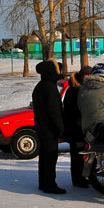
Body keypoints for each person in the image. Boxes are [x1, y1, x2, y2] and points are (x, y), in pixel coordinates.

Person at [32, 60, 66, 195]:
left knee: (45, 157)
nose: (59, 73)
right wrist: (60, 128)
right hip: (49, 129)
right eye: (56, 70)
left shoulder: (40, 86)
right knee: (50, 158)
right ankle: (50, 184)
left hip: (41, 127)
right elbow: (54, 111)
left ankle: (43, 182)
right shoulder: (50, 88)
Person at [62, 65, 94, 188]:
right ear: (82, 77)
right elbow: (76, 111)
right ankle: (78, 180)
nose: (89, 77)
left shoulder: (79, 89)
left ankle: (80, 178)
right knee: (77, 155)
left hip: (77, 127)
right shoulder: (75, 90)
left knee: (80, 155)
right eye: (87, 75)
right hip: (75, 128)